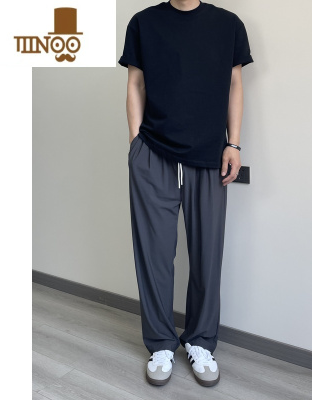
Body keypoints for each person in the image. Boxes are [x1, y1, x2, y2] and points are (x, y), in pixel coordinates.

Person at [118, 0, 253, 387]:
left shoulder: (228, 25)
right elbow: (135, 83)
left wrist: (234, 144)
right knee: (154, 256)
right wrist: (135, 144)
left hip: (209, 156)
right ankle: (160, 343)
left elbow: (235, 84)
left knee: (208, 256)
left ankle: (200, 341)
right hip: (153, 153)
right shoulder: (143, 23)